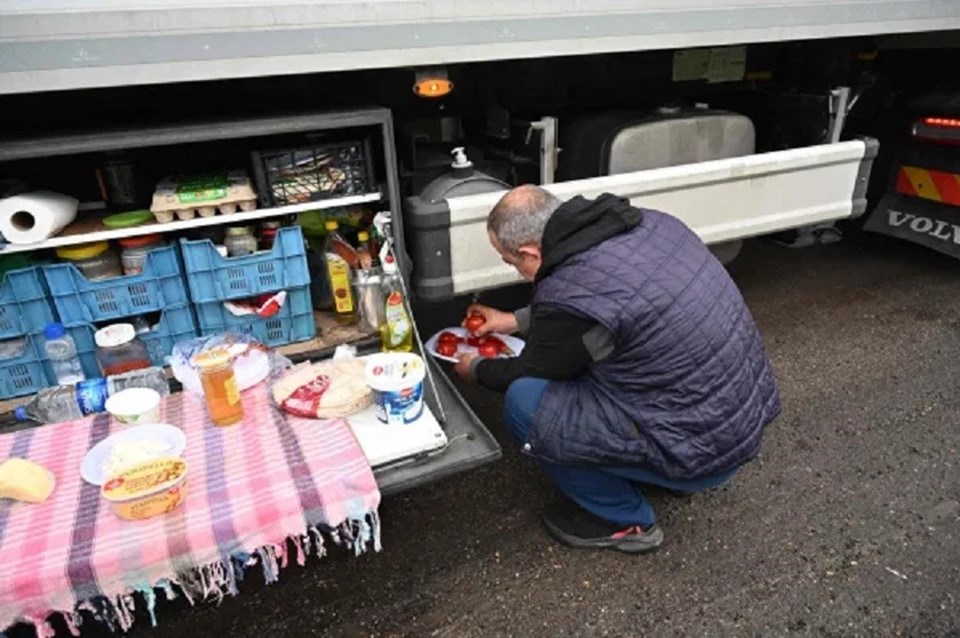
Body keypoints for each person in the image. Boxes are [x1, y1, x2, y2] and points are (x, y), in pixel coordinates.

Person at [454, 185, 780, 554]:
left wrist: (477, 369)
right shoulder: (649, 225)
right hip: (736, 425)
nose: (515, 271)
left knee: (525, 402)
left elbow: (532, 368)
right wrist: (513, 321)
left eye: (511, 262)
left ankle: (625, 520)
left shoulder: (572, 290)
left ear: (530, 252)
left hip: (702, 452)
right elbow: (617, 302)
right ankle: (656, 470)